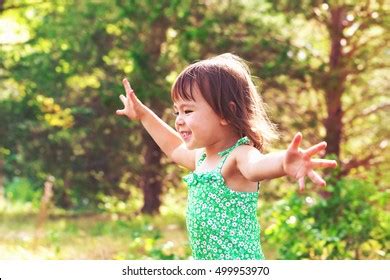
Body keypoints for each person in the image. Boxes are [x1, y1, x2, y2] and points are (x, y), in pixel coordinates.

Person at [116, 53, 337, 260]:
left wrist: (284, 162)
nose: (179, 120)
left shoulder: (239, 155)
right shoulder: (200, 158)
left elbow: (257, 166)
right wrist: (144, 115)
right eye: (177, 112)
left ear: (225, 113)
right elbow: (173, 147)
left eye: (188, 111)